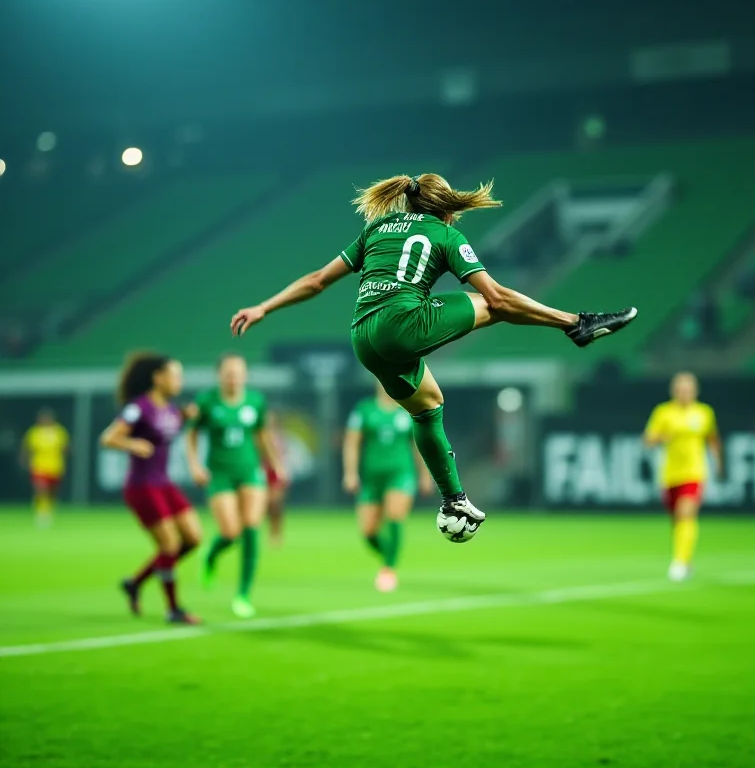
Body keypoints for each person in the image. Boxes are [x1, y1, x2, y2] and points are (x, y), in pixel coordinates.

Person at [230, 174, 637, 542]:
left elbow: (318, 280)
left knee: (428, 406)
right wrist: (564, 318)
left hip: (363, 338)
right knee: (489, 303)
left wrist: (265, 307)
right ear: (447, 209)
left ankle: (454, 499)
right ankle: (577, 324)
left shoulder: (376, 229)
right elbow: (497, 298)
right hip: (403, 323)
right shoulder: (445, 237)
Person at [100, 353, 202, 624]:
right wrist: (132, 444)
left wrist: (184, 417)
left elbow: (166, 431)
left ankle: (135, 582)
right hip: (142, 486)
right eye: (175, 375)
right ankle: (173, 609)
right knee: (169, 544)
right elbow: (108, 438)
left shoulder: (169, 409)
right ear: (158, 378)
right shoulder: (139, 407)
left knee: (193, 538)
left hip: (164, 483)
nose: (179, 380)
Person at [186, 353, 286, 618]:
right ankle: (211, 555)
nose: (233, 377)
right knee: (230, 532)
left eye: (238, 372)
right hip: (220, 474)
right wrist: (195, 465)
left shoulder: (255, 401)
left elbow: (262, 434)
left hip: (251, 471)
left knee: (252, 527)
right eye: (228, 373)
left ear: (245, 375)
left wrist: (274, 463)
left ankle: (243, 594)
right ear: (219, 375)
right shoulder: (207, 402)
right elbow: (192, 434)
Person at [343, 382, 433, 592]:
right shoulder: (364, 409)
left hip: (401, 474)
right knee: (368, 532)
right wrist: (350, 473)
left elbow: (418, 445)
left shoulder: (408, 409)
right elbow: (352, 442)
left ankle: (389, 569)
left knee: (395, 515)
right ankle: (389, 555)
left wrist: (425, 475)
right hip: (371, 477)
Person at [643, 372, 722, 582]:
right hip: (669, 475)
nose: (684, 393)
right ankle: (686, 560)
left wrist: (718, 463)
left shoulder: (704, 412)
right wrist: (661, 436)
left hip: (694, 472)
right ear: (674, 391)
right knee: (677, 521)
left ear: (695, 391)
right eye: (680, 389)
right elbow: (648, 440)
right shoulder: (663, 412)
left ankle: (679, 563)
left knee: (686, 514)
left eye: (688, 389)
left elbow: (712, 439)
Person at [20, 408, 70, 527]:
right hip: (39, 465)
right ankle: (41, 514)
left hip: (55, 466)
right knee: (41, 489)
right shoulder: (34, 432)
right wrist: (24, 460)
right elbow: (27, 448)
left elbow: (66, 447)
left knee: (52, 492)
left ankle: (50, 510)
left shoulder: (59, 431)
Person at [264, 410, 290, 547]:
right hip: (262, 472)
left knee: (276, 505)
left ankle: (276, 533)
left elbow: (283, 456)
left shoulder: (279, 437)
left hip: (276, 473)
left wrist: (282, 470)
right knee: (263, 505)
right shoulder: (258, 435)